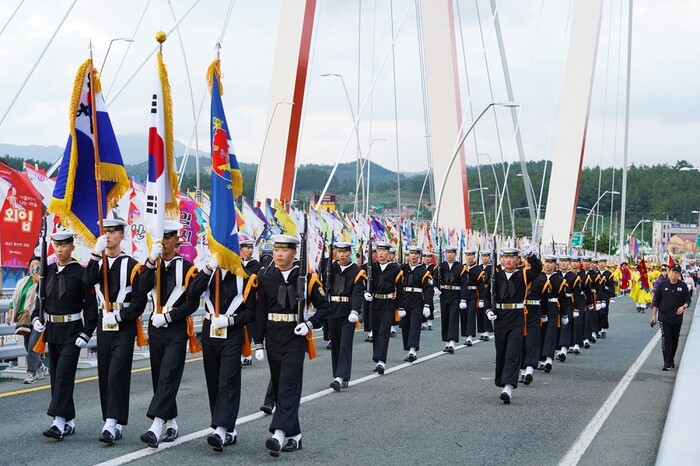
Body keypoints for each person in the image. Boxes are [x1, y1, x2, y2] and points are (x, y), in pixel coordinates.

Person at [253, 235, 330, 457]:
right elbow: (260, 312)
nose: (279, 254)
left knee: (288, 385)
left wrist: (310, 324)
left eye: (284, 250)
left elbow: (325, 307)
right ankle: (294, 436)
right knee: (280, 387)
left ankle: (278, 434)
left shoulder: (306, 278)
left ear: (295, 253)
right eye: (276, 250)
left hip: (295, 338)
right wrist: (258, 342)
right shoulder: (266, 277)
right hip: (273, 337)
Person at [185, 247, 257, 453]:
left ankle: (221, 429)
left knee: (228, 379)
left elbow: (251, 312)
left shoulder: (246, 277)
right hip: (210, 332)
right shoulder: (209, 273)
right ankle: (227, 428)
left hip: (232, 332)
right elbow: (191, 293)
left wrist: (230, 320)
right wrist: (209, 268)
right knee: (214, 381)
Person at [84, 219, 148, 444]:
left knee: (117, 373)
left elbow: (140, 301)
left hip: (123, 325)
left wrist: (120, 316)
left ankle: (112, 423)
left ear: (122, 236)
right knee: (104, 373)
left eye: (113, 232)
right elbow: (87, 282)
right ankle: (112, 420)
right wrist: (95, 254)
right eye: (105, 232)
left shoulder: (133, 265)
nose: (108, 236)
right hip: (104, 324)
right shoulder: (98, 262)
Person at [137, 221, 200, 448]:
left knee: (169, 374)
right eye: (161, 237)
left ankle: (156, 426)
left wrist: (169, 317)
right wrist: (150, 262)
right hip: (155, 327)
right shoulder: (151, 264)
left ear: (176, 239)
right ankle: (171, 422)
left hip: (175, 327)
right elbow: (140, 289)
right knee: (159, 376)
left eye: (168, 237)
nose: (163, 242)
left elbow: (192, 302)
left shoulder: (187, 267)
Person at [31, 232, 97, 440]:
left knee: (63, 375)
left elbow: (91, 305)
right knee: (56, 376)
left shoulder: (80, 273)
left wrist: (87, 332)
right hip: (53, 331)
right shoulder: (48, 271)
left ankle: (58, 422)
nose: (59, 250)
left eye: (64, 245)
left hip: (73, 331)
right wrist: (36, 318)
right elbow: (40, 300)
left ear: (72, 247)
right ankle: (68, 421)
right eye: (56, 245)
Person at [487, 246, 541, 404]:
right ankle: (502, 382)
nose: (509, 260)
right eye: (505, 257)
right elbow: (487, 294)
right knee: (501, 352)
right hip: (500, 317)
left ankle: (508, 388)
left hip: (517, 317)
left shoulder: (523, 274)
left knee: (513, 352)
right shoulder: (495, 275)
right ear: (501, 259)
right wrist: (488, 310)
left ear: (518, 260)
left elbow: (537, 269)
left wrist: (530, 256)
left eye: (512, 257)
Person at [324, 242, 366, 390]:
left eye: (344, 252)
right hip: (333, 310)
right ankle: (338, 374)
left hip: (348, 312)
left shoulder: (356, 271)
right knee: (335, 343)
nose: (341, 255)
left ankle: (340, 377)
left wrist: (355, 310)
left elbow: (357, 292)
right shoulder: (331, 268)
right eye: (339, 252)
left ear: (349, 253)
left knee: (345, 343)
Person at [364, 241, 405, 373]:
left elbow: (400, 289)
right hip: (375, 303)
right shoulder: (371, 267)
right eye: (379, 251)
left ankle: (381, 362)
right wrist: (365, 292)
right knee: (376, 332)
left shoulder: (395, 269)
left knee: (383, 332)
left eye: (384, 251)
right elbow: (362, 282)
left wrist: (401, 307)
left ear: (388, 253)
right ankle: (378, 358)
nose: (381, 253)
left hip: (388, 304)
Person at [9, 256, 48, 384]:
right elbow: (15, 298)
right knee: (27, 346)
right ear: (28, 267)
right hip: (25, 319)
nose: (34, 269)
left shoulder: (45, 282)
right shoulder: (22, 282)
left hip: (38, 319)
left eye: (37, 266)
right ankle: (41, 367)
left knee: (32, 346)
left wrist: (40, 282)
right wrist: (11, 312)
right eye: (32, 266)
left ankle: (31, 374)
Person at [650, 264, 691, 371]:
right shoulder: (662, 285)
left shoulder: (683, 286)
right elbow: (656, 301)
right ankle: (667, 363)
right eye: (673, 271)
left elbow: (688, 300)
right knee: (666, 339)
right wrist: (654, 315)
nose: (674, 274)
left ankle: (671, 359)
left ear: (679, 274)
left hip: (677, 318)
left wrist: (683, 307)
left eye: (677, 272)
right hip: (664, 317)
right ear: (669, 272)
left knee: (674, 340)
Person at [400, 246, 433, 362]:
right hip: (405, 300)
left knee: (414, 325)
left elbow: (428, 290)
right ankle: (408, 348)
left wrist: (427, 305)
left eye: (415, 254)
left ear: (419, 256)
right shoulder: (402, 269)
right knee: (405, 326)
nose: (413, 256)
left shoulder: (424, 271)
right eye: (411, 253)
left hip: (417, 301)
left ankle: (412, 351)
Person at [436, 245, 468, 353]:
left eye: (452, 253)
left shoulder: (461, 267)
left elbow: (464, 284)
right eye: (448, 253)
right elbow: (435, 279)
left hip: (456, 295)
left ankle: (452, 343)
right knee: (445, 318)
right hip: (444, 294)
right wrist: (435, 288)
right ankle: (446, 342)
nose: (449, 255)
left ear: (455, 254)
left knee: (453, 318)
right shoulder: (441, 266)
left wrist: (463, 299)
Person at [240, 239, 262, 367]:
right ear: (241, 249)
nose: (250, 250)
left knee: (248, 329)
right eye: (247, 248)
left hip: (251, 301)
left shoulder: (257, 266)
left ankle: (246, 355)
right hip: (238, 300)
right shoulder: (236, 263)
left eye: (251, 248)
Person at [421, 252, 436, 331]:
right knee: (422, 304)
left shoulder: (434, 267)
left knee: (430, 304)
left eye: (429, 257)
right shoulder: (421, 267)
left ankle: (429, 322)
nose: (427, 259)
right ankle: (423, 323)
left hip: (430, 287)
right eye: (426, 257)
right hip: (422, 288)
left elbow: (435, 277)